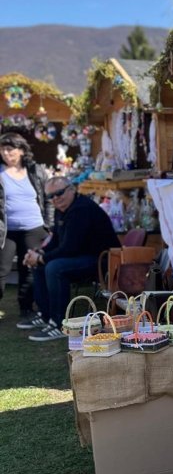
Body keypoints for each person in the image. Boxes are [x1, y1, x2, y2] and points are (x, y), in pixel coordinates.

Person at [24, 175, 120, 342]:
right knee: (41, 265)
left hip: (101, 260)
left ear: (72, 190)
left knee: (54, 267)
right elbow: (56, 241)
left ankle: (59, 324)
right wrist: (38, 253)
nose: (55, 198)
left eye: (59, 193)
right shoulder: (62, 209)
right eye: (50, 196)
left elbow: (70, 248)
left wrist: (41, 258)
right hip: (82, 256)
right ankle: (46, 316)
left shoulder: (81, 209)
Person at [0, 132, 53, 328]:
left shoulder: (35, 170)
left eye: (10, 149)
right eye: (2, 149)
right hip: (6, 230)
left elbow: (48, 199)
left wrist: (49, 225)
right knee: (1, 269)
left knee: (29, 269)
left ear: (21, 150)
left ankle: (27, 308)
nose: (5, 153)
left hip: (34, 227)